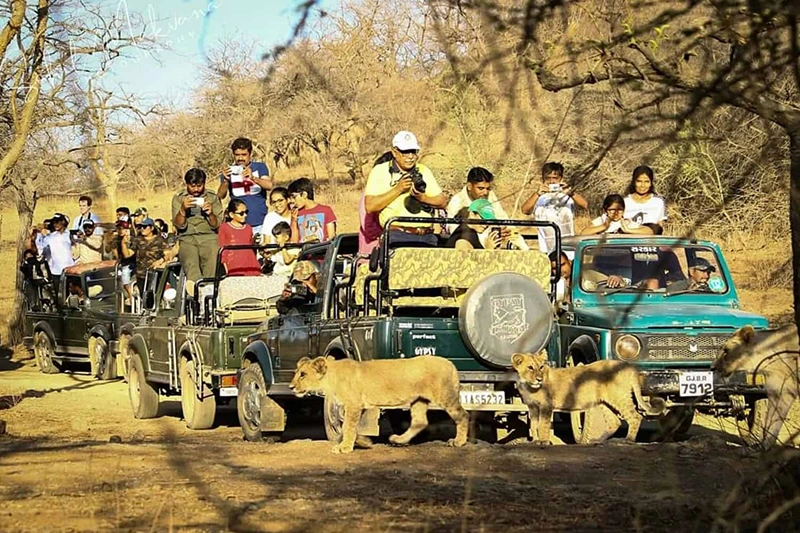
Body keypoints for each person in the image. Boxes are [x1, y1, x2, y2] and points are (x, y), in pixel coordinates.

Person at [364, 131, 448, 247]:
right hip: (396, 235)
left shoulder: (424, 170)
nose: (410, 156)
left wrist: (422, 198)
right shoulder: (379, 171)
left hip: (426, 236)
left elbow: (442, 201)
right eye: (405, 152)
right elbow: (370, 206)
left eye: (413, 152)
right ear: (394, 152)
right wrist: (398, 189)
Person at [522, 162, 589, 252]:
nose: (552, 181)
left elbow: (584, 205)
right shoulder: (539, 197)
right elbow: (525, 210)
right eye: (548, 178)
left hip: (567, 248)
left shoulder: (568, 196)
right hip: (545, 248)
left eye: (555, 178)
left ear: (561, 179)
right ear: (543, 179)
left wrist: (570, 192)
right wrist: (537, 194)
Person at [172, 168, 224, 282]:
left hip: (209, 237)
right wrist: (182, 210)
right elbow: (179, 225)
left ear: (204, 183)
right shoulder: (178, 198)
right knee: (191, 262)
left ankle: (209, 288)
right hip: (187, 238)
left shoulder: (212, 197)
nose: (196, 189)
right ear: (187, 184)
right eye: (192, 186)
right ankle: (195, 290)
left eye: (199, 186)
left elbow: (218, 226)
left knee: (213, 258)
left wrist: (211, 214)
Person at [217, 137, 272, 233]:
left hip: (259, 221)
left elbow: (269, 186)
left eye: (244, 155)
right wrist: (226, 181)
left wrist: (253, 178)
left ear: (250, 154)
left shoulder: (260, 167)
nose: (240, 158)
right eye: (237, 155)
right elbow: (220, 196)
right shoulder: (229, 171)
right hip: (237, 224)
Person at [446, 166, 510, 233]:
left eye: (488, 189)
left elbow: (501, 217)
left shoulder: (490, 195)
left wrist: (503, 230)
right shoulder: (457, 201)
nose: (485, 192)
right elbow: (453, 230)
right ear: (470, 186)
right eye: (481, 188)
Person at [120, 217, 169, 290]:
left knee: (155, 296)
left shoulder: (160, 240)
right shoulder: (138, 240)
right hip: (141, 275)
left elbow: (168, 254)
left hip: (156, 274)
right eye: (141, 227)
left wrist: (161, 261)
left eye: (145, 227)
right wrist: (123, 244)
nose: (142, 229)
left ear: (152, 228)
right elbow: (128, 254)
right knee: (144, 297)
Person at [218, 199, 261, 276]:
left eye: (246, 212)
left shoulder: (248, 228)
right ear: (231, 214)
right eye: (241, 213)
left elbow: (251, 246)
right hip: (234, 265)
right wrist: (225, 268)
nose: (245, 215)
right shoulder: (224, 228)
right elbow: (222, 249)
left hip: (250, 264)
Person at [288, 177, 337, 243]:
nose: (292, 201)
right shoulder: (297, 213)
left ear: (304, 194)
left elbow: (331, 236)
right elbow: (294, 241)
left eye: (294, 197)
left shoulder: (326, 210)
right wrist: (293, 220)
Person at [581, 194, 654, 235]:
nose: (616, 213)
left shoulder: (626, 222)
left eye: (619, 210)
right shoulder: (600, 220)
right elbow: (583, 233)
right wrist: (604, 226)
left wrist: (628, 230)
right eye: (612, 210)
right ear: (606, 210)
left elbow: (649, 232)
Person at [624, 165, 666, 234]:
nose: (642, 185)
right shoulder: (625, 202)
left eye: (646, 182)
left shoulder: (659, 201)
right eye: (639, 181)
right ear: (634, 182)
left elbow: (660, 226)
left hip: (651, 242)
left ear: (651, 183)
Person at [111, 219, 137, 304]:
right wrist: (111, 242)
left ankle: (131, 297)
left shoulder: (131, 239)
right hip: (122, 263)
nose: (120, 231)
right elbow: (115, 254)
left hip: (131, 263)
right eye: (118, 229)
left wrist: (123, 243)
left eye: (121, 228)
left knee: (125, 278)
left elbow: (127, 255)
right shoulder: (117, 239)